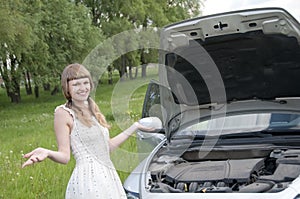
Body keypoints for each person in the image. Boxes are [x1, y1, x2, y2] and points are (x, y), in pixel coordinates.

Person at [22, 63, 154, 198]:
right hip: (88, 181)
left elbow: (106, 147)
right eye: (76, 84)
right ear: (67, 88)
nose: (82, 88)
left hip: (108, 177)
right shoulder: (63, 113)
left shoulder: (92, 108)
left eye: (85, 83)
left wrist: (134, 126)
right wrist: (47, 152)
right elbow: (65, 157)